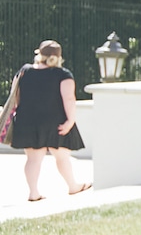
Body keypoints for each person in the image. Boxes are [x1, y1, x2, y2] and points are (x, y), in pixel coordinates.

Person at [9, 40, 88, 200]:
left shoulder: (24, 71)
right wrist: (70, 121)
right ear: (58, 57)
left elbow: (16, 97)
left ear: (40, 54)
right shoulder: (63, 74)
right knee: (62, 156)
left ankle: (33, 193)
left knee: (33, 159)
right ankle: (73, 186)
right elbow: (69, 99)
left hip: (28, 121)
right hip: (55, 121)